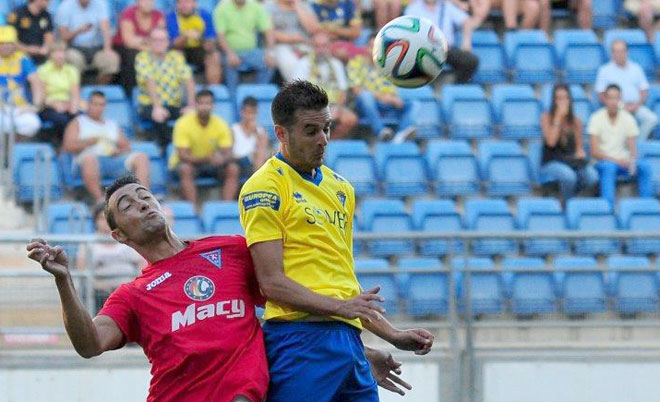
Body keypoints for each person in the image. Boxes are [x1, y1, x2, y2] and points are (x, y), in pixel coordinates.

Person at [27, 174, 415, 402]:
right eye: (127, 205)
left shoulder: (229, 251)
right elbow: (90, 344)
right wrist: (64, 280)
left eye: (145, 196)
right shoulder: (133, 295)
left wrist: (357, 353)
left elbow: (288, 310)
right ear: (117, 234)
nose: (142, 204)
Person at [239, 80, 434, 402]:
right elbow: (272, 283)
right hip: (298, 341)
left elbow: (341, 281)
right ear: (281, 133)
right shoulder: (264, 188)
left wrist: (393, 334)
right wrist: (343, 307)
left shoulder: (341, 188)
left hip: (349, 342)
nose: (323, 140)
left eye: (327, 128)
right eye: (311, 131)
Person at [62, 90, 151, 202]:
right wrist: (87, 142)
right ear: (88, 104)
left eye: (102, 105)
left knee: (141, 157)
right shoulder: (78, 122)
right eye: (95, 104)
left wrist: (118, 152)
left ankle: (143, 198)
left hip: (113, 160)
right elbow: (68, 146)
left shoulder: (111, 124)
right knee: (89, 159)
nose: (98, 108)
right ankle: (100, 200)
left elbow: (126, 147)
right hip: (88, 161)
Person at [169, 89, 239, 206]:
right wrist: (207, 159)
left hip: (211, 164)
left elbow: (228, 152)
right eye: (201, 103)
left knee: (233, 168)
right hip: (188, 164)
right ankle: (194, 212)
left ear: (213, 106)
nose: (205, 107)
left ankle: (226, 209)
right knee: (186, 169)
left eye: (208, 103)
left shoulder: (221, 124)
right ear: (195, 105)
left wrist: (222, 159)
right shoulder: (183, 123)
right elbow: (183, 155)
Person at [589, 84, 653, 207]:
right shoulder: (596, 118)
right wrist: (617, 160)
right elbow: (594, 152)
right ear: (605, 99)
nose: (613, 102)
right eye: (610, 98)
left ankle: (647, 206)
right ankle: (608, 208)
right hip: (603, 162)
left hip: (624, 162)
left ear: (620, 100)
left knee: (645, 166)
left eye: (616, 98)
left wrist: (631, 161)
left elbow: (633, 148)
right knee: (609, 168)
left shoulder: (628, 119)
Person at [77, 202, 145, 315]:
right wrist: (100, 286)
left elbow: (142, 267)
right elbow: (82, 271)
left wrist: (130, 286)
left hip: (129, 290)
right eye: (101, 219)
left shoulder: (130, 239)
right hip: (99, 292)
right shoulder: (88, 244)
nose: (105, 222)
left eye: (108, 218)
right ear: (95, 221)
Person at [347, 35, 418, 142]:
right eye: (372, 46)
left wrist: (393, 99)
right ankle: (380, 131)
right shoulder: (355, 63)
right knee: (365, 96)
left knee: (414, 104)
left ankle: (400, 135)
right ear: (366, 48)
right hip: (364, 106)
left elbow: (392, 92)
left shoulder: (389, 66)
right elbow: (356, 90)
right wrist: (382, 97)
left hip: (386, 105)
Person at [135, 28, 196, 150]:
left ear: (168, 42)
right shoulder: (142, 57)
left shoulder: (176, 57)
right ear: (149, 42)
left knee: (194, 115)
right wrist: (157, 107)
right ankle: (168, 148)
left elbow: (188, 79)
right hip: (150, 104)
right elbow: (149, 80)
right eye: (155, 40)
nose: (159, 43)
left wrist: (191, 105)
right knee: (159, 116)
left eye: (162, 40)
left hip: (174, 104)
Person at [292, 32, 358, 139]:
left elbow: (343, 91)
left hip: (333, 105)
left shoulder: (336, 64)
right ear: (311, 47)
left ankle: (328, 144)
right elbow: (296, 93)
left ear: (329, 47)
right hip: (309, 107)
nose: (321, 50)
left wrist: (338, 108)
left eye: (324, 46)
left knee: (350, 119)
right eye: (317, 46)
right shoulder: (303, 64)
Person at [540, 84, 598, 201]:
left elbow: (579, 148)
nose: (562, 101)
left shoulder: (576, 121)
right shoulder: (546, 117)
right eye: (559, 98)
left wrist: (581, 154)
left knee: (592, 176)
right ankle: (568, 202)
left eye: (565, 98)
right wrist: (558, 117)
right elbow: (551, 142)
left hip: (571, 161)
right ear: (554, 100)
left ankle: (569, 196)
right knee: (569, 176)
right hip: (552, 161)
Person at [595, 40, 658, 141]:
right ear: (612, 53)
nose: (619, 54)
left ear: (627, 52)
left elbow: (644, 91)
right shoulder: (604, 70)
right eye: (616, 51)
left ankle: (638, 143)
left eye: (622, 51)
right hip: (616, 107)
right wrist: (618, 105)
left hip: (636, 106)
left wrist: (636, 105)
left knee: (652, 119)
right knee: (623, 121)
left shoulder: (636, 68)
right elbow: (601, 94)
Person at [404, 0, 479, 84]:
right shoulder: (413, 8)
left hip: (446, 49)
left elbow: (466, 21)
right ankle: (429, 87)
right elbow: (408, 31)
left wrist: (466, 42)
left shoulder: (447, 6)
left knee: (470, 61)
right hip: (423, 50)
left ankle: (452, 86)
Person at [213, 0, 276, 97]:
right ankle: (233, 101)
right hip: (229, 51)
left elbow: (268, 30)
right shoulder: (222, 7)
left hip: (251, 52)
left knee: (269, 63)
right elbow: (220, 36)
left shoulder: (255, 6)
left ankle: (256, 96)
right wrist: (230, 53)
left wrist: (270, 52)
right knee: (230, 64)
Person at [55, 0, 120, 85]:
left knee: (111, 60)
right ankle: (78, 92)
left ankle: (97, 91)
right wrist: (78, 31)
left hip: (96, 47)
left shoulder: (100, 3)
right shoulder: (65, 6)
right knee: (73, 59)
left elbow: (105, 29)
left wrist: (107, 49)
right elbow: (63, 37)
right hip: (74, 48)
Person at [34, 41, 81, 149]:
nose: (60, 55)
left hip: (67, 104)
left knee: (79, 116)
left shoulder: (71, 70)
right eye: (56, 52)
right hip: (48, 106)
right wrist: (56, 105)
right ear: (50, 55)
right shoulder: (43, 70)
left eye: (62, 52)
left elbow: (75, 93)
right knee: (61, 119)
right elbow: (42, 97)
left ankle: (75, 147)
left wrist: (73, 106)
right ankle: (61, 147)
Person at [113, 0, 166, 94]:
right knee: (133, 56)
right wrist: (150, 46)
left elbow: (161, 36)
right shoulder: (128, 13)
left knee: (164, 55)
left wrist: (147, 44)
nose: (147, 2)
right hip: (124, 48)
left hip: (148, 47)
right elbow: (128, 41)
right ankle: (130, 93)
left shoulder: (158, 15)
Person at [0, 25, 42, 140]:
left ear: (14, 44)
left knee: (33, 124)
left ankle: (14, 149)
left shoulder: (22, 59)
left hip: (19, 106)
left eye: (8, 43)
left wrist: (36, 105)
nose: (5, 46)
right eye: (2, 43)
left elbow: (36, 82)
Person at [166, 0, 222, 85]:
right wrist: (185, 36)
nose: (183, 5)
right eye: (180, 3)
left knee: (214, 56)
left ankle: (213, 89)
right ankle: (178, 91)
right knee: (176, 55)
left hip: (199, 49)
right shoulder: (171, 17)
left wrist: (200, 37)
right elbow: (173, 45)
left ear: (194, 4)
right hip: (180, 50)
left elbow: (211, 45)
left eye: (187, 2)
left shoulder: (204, 15)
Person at [265, 0, 320, 82]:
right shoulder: (270, 6)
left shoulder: (303, 5)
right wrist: (291, 38)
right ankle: (299, 91)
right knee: (291, 65)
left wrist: (298, 7)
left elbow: (313, 29)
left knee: (313, 63)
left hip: (305, 44)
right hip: (281, 45)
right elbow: (268, 31)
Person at [6, 0, 54, 65]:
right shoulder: (16, 14)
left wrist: (46, 47)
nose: (49, 2)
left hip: (40, 54)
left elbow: (49, 35)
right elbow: (10, 39)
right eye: (46, 0)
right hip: (20, 54)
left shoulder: (46, 15)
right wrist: (27, 49)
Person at [232, 96, 269, 177]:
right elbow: (231, 153)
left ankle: (258, 179)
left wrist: (256, 133)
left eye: (253, 113)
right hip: (239, 163)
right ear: (242, 112)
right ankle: (258, 181)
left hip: (255, 162)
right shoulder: (233, 130)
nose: (250, 116)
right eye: (248, 112)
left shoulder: (261, 132)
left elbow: (263, 151)